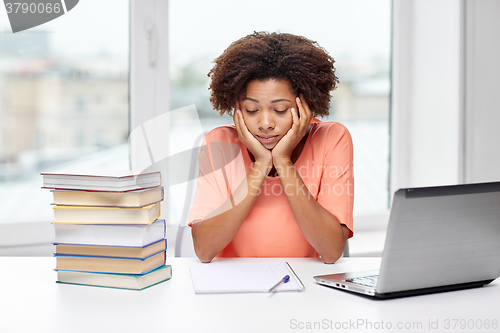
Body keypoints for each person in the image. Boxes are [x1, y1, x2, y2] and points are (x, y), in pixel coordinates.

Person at [187, 31, 354, 264]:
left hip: (308, 290)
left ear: (306, 105)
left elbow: (331, 250)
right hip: (234, 289)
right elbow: (204, 250)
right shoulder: (219, 143)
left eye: (280, 110)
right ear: (237, 108)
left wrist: (283, 162)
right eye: (252, 110)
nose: (265, 124)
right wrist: (262, 165)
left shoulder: (331, 138)